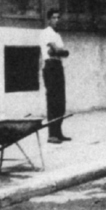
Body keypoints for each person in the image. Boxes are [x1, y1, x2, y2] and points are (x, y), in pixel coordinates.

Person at [39, 8, 71, 144]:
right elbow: (56, 51)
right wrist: (61, 52)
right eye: (54, 18)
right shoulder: (46, 33)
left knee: (61, 102)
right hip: (50, 66)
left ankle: (58, 132)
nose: (56, 20)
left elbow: (59, 52)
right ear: (48, 20)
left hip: (58, 66)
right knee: (52, 101)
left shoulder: (57, 35)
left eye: (58, 18)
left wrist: (60, 52)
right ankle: (52, 134)